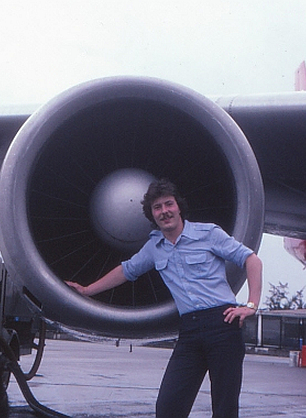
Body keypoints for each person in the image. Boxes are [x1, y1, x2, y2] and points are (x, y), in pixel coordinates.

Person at [67, 178, 262, 418]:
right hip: (189, 331)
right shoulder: (154, 247)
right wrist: (88, 290)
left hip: (222, 325)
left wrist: (251, 305)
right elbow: (126, 271)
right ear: (152, 215)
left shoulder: (208, 233)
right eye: (157, 208)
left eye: (168, 204)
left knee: (224, 409)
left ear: (179, 206)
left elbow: (251, 260)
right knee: (168, 408)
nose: (164, 212)